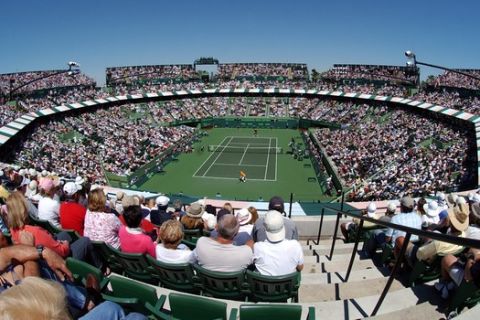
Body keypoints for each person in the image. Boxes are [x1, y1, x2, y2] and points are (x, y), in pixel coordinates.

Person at [253, 210, 304, 276]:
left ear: (265, 227)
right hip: (288, 285)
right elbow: (300, 267)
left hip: (263, 284)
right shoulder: (295, 245)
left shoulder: (257, 247)